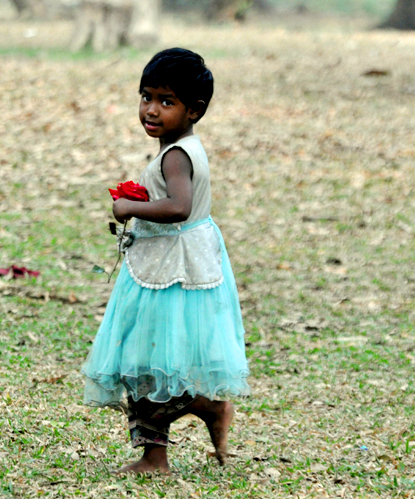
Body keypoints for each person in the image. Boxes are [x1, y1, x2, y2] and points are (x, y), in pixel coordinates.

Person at [81, 48, 250, 474]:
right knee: (149, 358)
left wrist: (128, 209)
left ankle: (202, 412)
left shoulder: (177, 155)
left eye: (166, 101)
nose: (151, 110)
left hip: (171, 270)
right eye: (146, 96)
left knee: (147, 358)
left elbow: (177, 206)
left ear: (195, 110)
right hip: (172, 261)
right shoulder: (179, 148)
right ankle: (165, 447)